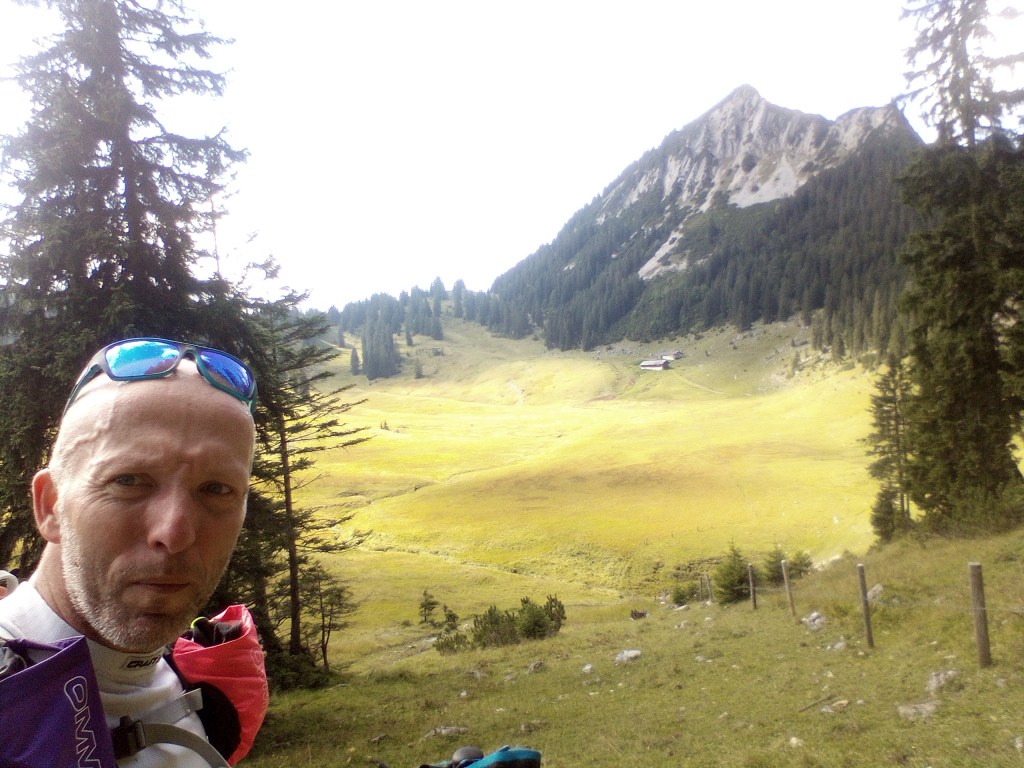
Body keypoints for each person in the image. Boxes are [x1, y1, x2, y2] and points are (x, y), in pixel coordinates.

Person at [0, 337, 258, 767]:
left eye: (216, 489)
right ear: (50, 507)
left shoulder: (207, 700)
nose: (174, 534)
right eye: (129, 481)